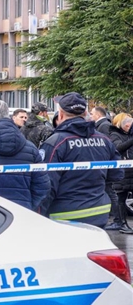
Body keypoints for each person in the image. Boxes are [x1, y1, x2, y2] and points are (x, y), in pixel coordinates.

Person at [38, 93, 124, 227]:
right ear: (85, 113)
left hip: (64, 216)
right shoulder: (104, 140)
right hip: (99, 213)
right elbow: (117, 174)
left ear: (60, 115)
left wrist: (37, 216)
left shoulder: (56, 142)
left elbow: (46, 185)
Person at [106, 115, 133, 234]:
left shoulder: (128, 135)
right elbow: (118, 148)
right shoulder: (114, 135)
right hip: (122, 172)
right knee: (121, 198)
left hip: (129, 171)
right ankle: (121, 223)